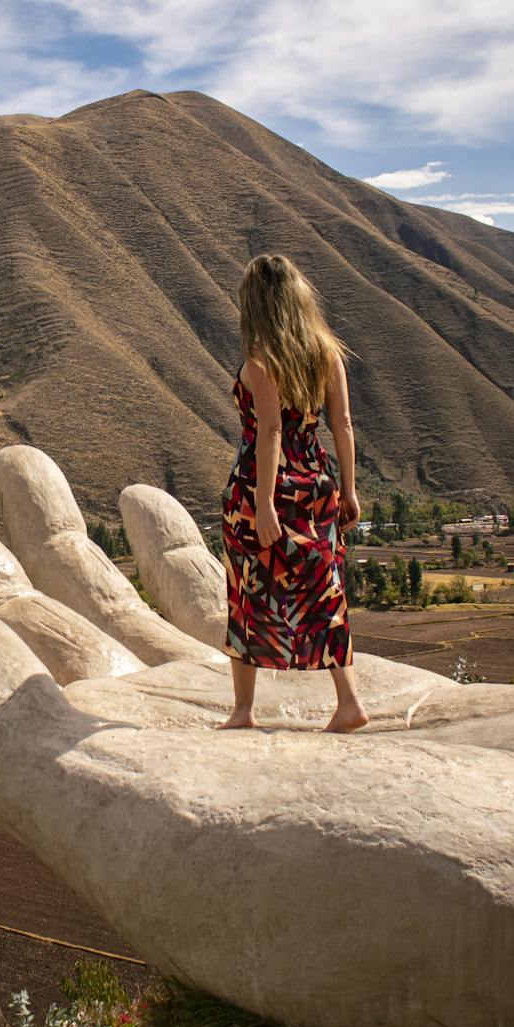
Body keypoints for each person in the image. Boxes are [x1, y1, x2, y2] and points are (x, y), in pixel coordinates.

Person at [218, 253, 362, 731]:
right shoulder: (328, 353)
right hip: (316, 484)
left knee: (247, 593)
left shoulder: (261, 361)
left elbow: (270, 432)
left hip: (262, 487)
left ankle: (244, 710)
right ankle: (348, 702)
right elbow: (341, 424)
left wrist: (262, 504)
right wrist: (349, 490)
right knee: (325, 590)